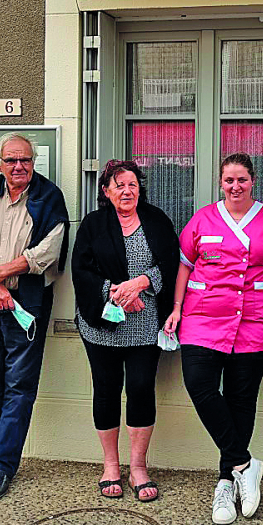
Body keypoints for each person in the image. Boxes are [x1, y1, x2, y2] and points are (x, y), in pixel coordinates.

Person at [164, 152, 263, 525]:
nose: (235, 186)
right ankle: (244, 464)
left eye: (242, 179)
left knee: (241, 401)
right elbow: (185, 266)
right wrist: (175, 308)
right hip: (202, 320)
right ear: (220, 183)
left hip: (258, 323)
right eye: (228, 181)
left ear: (253, 181)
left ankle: (226, 481)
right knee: (200, 386)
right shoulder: (203, 218)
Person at [0, 132, 69, 501]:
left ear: (33, 162)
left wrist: (1, 275)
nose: (19, 166)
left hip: (26, 304)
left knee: (19, 387)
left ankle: (3, 466)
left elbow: (47, 253)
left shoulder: (49, 197)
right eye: (11, 160)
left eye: (25, 159)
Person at [72, 160, 179, 502]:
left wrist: (142, 283)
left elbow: (171, 263)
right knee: (105, 390)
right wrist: (116, 292)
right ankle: (110, 466)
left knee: (140, 388)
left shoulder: (156, 220)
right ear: (106, 191)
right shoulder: (93, 224)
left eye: (132, 184)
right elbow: (81, 270)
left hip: (146, 324)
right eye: (119, 185)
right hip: (102, 323)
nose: (127, 191)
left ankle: (138, 467)